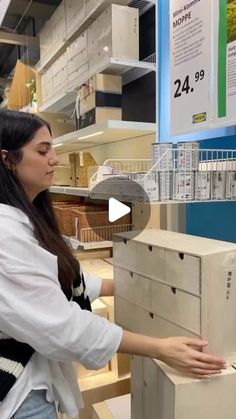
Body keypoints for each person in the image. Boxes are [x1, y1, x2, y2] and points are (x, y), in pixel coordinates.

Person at [0, 110, 225, 419]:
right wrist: (159, 348)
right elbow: (61, 326)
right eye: (43, 150)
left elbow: (59, 281)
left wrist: (137, 285)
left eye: (53, 148)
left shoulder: (29, 216)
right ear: (7, 159)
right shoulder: (5, 234)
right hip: (17, 393)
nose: (55, 159)